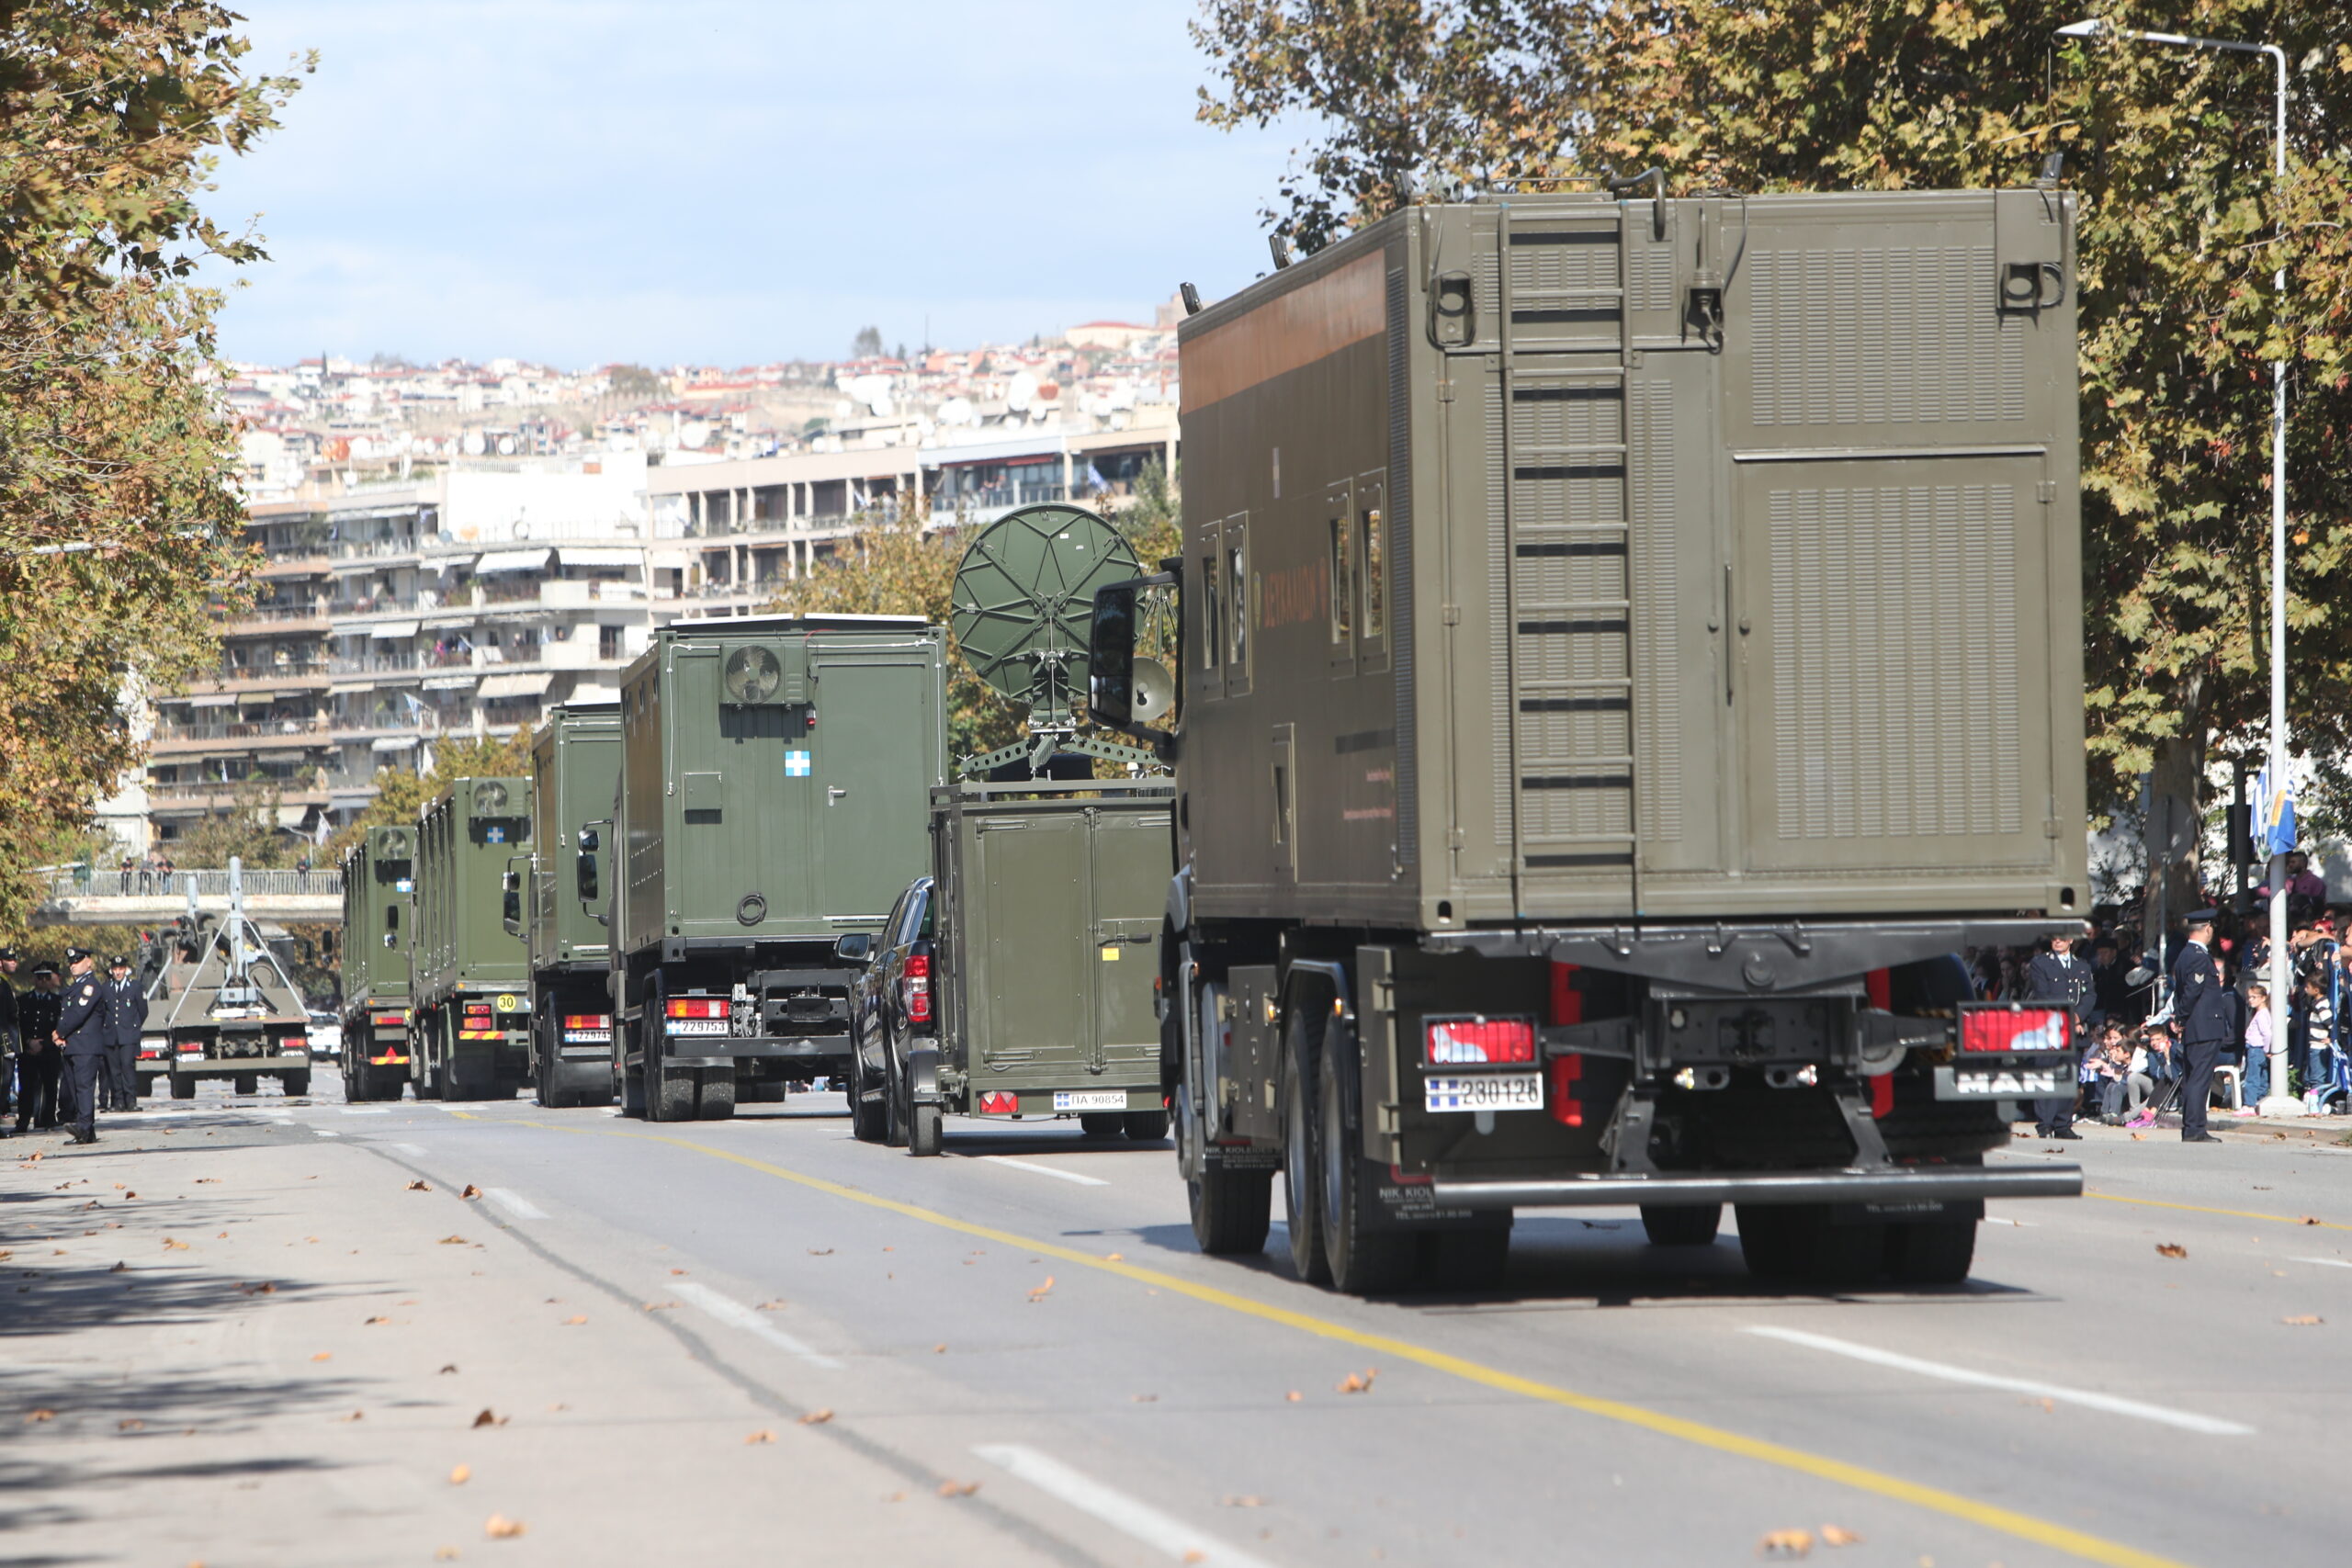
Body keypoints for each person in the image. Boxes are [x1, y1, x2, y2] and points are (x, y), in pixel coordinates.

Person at [2171, 911, 2234, 1142]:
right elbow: (2191, 992)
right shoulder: (2197, 956)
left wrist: (2181, 1019)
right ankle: (2195, 1128)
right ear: (2207, 928)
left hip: (2196, 1026)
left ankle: (2192, 1127)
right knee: (2199, 1078)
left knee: (2193, 1078)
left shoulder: (2185, 955)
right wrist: (2183, 1017)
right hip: (2203, 1026)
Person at [2027, 929, 2094, 1139]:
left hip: (2075, 1029)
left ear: (2071, 940)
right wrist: (2068, 1019)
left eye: (2062, 938)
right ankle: (2045, 1123)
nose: (2057, 941)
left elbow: (2090, 995)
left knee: (2069, 1076)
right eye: (2054, 938)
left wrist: (2077, 1018)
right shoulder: (2041, 963)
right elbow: (2043, 994)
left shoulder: (2082, 966)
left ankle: (2063, 1123)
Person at [54, 947, 107, 1145]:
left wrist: (59, 1032)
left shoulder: (90, 986)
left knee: (84, 1088)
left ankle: (84, 1127)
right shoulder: (74, 987)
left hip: (85, 1046)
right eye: (71, 962)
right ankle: (86, 1130)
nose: (73, 965)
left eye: (77, 961)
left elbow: (78, 1014)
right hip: (72, 1045)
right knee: (75, 1088)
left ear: (89, 962)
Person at [15, 962, 63, 1134]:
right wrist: (28, 1042)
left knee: (50, 1086)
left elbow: (60, 1026)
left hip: (48, 1050)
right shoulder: (22, 1000)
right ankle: (23, 1120)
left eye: (46, 977)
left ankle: (47, 1118)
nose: (43, 981)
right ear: (34, 979)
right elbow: (18, 1025)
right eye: (39, 977)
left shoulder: (58, 1002)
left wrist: (44, 1043)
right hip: (28, 1050)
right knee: (26, 1087)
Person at [99, 953, 146, 1112]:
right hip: (111, 1035)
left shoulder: (135, 986)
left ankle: (131, 1100)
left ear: (126, 970)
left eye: (121, 969)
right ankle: (118, 1101)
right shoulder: (105, 988)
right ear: (111, 970)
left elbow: (143, 1010)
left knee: (127, 1066)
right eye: (115, 969)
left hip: (128, 1034)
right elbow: (102, 1011)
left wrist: (134, 1026)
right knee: (114, 1070)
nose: (118, 972)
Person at [2241, 983, 2275, 1107]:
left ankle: (2250, 1104)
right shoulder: (2262, 1013)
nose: (2250, 1000)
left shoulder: (2261, 1015)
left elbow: (2267, 1034)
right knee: (2262, 1078)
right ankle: (2260, 1101)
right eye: (2249, 997)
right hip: (2257, 1049)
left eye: (2254, 997)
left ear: (2263, 998)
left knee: (2252, 1078)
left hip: (2256, 1049)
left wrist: (2266, 1049)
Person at [0, 947, 17, 1125]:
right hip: (3, 1043)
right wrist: (6, 1044)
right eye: (8, 959)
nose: (13, 962)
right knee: (2, 1083)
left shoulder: (5, 983)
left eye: (14, 959)